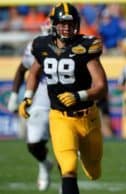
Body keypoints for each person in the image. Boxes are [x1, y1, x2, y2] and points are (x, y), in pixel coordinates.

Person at [18, 3, 108, 194]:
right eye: (62, 23)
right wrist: (27, 97)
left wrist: (79, 95)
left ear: (77, 24)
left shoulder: (85, 47)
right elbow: (33, 73)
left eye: (70, 23)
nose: (66, 27)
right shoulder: (42, 46)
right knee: (68, 167)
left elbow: (101, 87)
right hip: (59, 117)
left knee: (94, 171)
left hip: (87, 117)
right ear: (54, 24)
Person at [7, 21, 53, 191]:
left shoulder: (72, 45)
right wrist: (14, 96)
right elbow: (22, 70)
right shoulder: (36, 45)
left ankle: (66, 184)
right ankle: (44, 164)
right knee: (33, 144)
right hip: (40, 101)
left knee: (65, 147)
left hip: (64, 102)